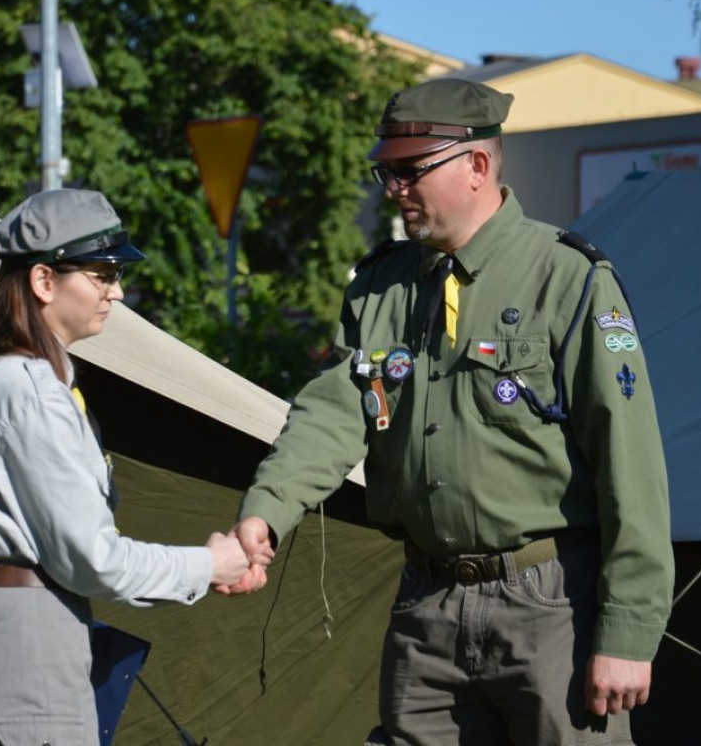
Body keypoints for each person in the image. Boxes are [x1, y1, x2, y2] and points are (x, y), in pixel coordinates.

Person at [224, 79, 674, 745]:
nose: (393, 189)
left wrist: (628, 632)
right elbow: (332, 415)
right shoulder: (380, 286)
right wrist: (266, 511)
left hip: (551, 606)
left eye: (410, 171)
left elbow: (630, 467)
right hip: (426, 605)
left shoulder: (569, 278)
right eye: (386, 172)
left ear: (477, 165)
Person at [0, 189, 259, 745]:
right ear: (43, 281)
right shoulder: (29, 389)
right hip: (24, 650)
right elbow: (93, 560)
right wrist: (210, 564)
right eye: (102, 274)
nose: (116, 292)